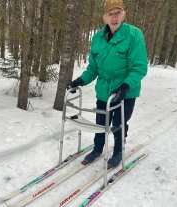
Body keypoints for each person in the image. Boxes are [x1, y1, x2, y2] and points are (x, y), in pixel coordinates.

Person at [67, 0, 148, 168]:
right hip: (104, 90)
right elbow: (93, 68)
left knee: (118, 124)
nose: (114, 17)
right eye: (111, 14)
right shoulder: (98, 37)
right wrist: (81, 80)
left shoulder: (134, 35)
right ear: (105, 17)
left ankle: (118, 150)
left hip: (125, 91)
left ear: (123, 14)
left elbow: (139, 67)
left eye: (118, 12)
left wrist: (125, 86)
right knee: (101, 123)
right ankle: (97, 149)